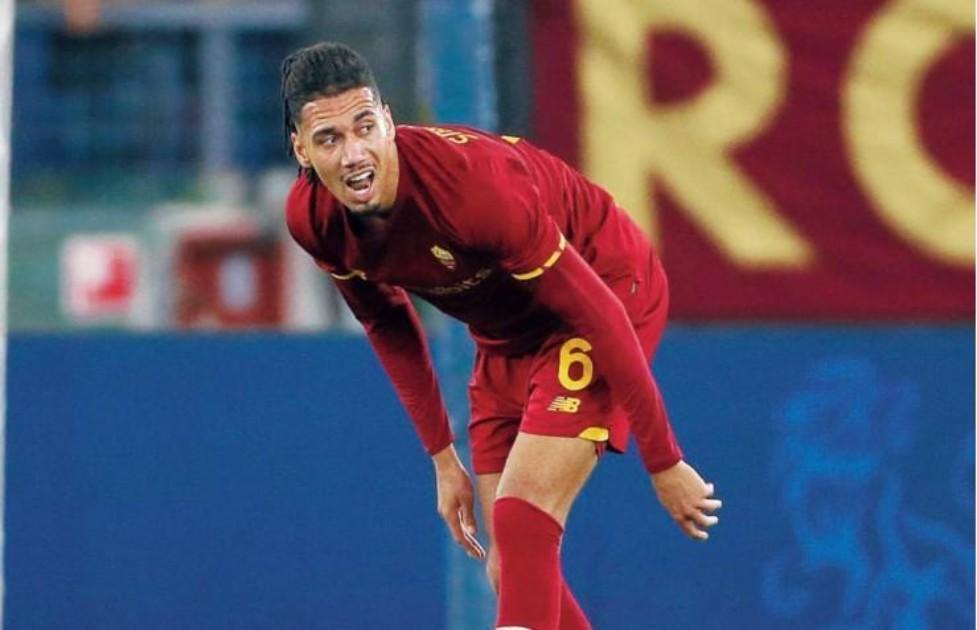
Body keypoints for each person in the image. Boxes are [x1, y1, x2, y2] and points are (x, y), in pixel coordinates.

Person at [281, 42, 722, 629]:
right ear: (301, 151)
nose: (355, 154)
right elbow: (386, 321)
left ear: (388, 119)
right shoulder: (312, 219)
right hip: (505, 334)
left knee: (521, 518)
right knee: (510, 572)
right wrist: (443, 459)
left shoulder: (471, 190)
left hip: (606, 289)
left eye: (365, 126)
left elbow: (601, 313)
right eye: (330, 139)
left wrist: (664, 459)